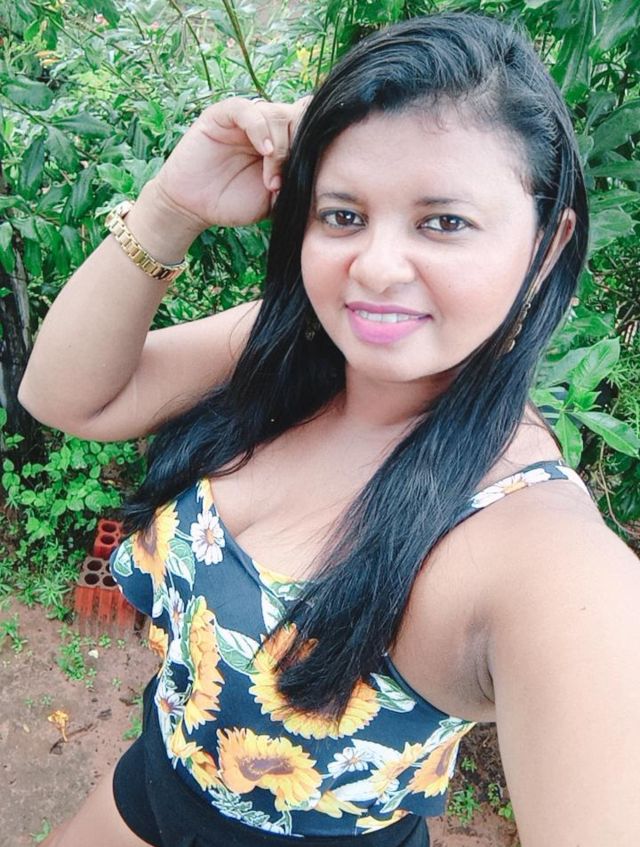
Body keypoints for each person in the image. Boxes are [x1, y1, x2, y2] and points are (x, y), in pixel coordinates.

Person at [19, 11, 640, 847]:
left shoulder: (542, 553)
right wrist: (171, 206)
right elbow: (63, 396)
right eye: (343, 215)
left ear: (547, 243)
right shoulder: (283, 356)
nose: (375, 267)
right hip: (150, 789)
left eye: (443, 221)